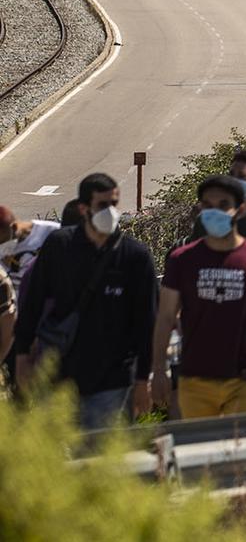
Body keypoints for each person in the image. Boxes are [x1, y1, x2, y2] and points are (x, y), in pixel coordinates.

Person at [10, 173, 157, 428]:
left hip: (113, 381)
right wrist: (22, 357)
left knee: (103, 459)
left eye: (114, 204)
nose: (110, 212)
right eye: (103, 205)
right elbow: (32, 302)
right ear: (83, 208)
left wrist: (144, 379)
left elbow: (147, 321)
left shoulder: (135, 256)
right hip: (60, 377)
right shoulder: (59, 247)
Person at [152, 176, 246, 418]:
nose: (214, 212)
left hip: (245, 378)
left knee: (239, 450)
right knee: (199, 450)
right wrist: (158, 370)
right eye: (207, 206)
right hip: (195, 378)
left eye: (222, 205)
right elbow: (166, 317)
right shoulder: (182, 260)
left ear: (240, 209)